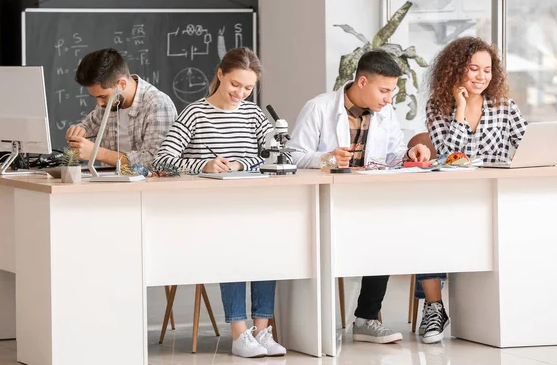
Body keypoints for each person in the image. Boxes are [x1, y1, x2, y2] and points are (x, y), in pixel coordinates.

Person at [288, 50, 430, 344]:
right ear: (362, 81)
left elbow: (391, 155)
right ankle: (314, 325)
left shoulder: (385, 113)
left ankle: (366, 318)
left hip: (368, 200)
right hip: (325, 202)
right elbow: (293, 156)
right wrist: (325, 159)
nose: (389, 98)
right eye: (384, 90)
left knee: (386, 239)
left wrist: (408, 155)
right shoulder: (319, 107)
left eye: (392, 91)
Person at [153, 47, 287, 358]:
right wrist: (204, 166)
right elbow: (162, 161)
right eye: (235, 85)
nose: (240, 93)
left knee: (270, 246)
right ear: (220, 75)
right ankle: (240, 334)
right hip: (211, 212)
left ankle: (262, 331)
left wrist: (240, 163)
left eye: (248, 88)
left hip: (253, 205)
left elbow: (276, 155)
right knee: (235, 245)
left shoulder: (254, 115)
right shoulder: (194, 113)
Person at [419, 36, 528, 344]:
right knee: (427, 228)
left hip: (497, 194)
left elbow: (527, 144)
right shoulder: (438, 107)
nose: (482, 77)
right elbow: (450, 154)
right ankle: (434, 307)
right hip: (452, 195)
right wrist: (462, 109)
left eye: (487, 70)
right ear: (455, 71)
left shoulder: (505, 106)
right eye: (473, 69)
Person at [65, 48, 177, 169]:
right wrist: (79, 131)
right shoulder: (109, 102)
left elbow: (155, 160)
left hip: (148, 186)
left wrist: (96, 152)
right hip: (111, 183)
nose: (99, 103)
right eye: (95, 97)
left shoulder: (158, 105)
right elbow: (88, 126)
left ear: (122, 84)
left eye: (103, 96)